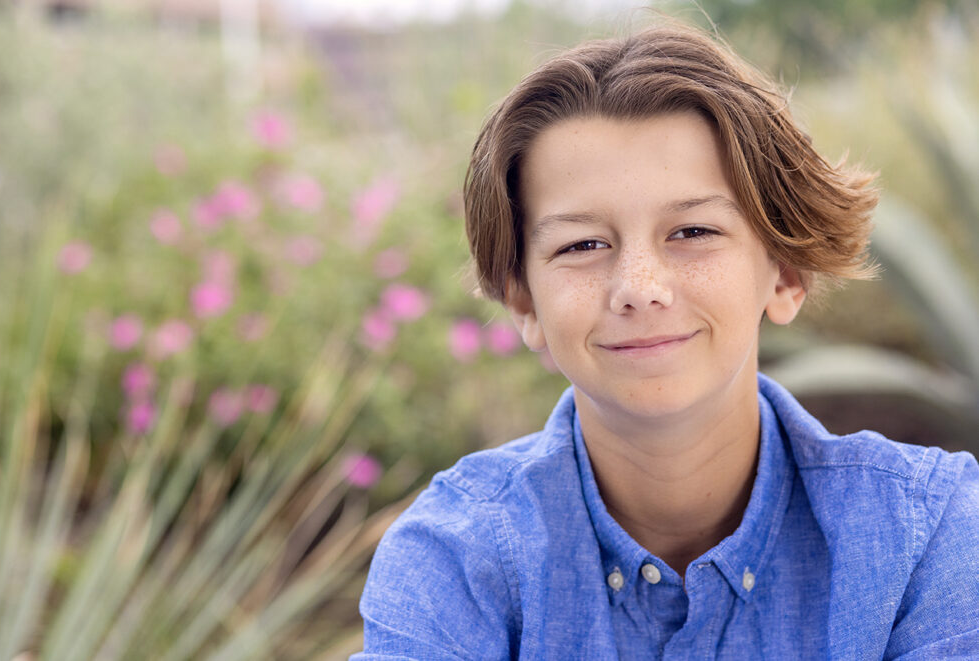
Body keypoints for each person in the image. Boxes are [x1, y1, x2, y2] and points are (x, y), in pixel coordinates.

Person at [352, 18, 979, 660]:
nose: (639, 287)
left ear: (786, 274)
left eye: (693, 232)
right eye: (583, 244)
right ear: (524, 302)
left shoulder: (926, 536)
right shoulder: (453, 561)